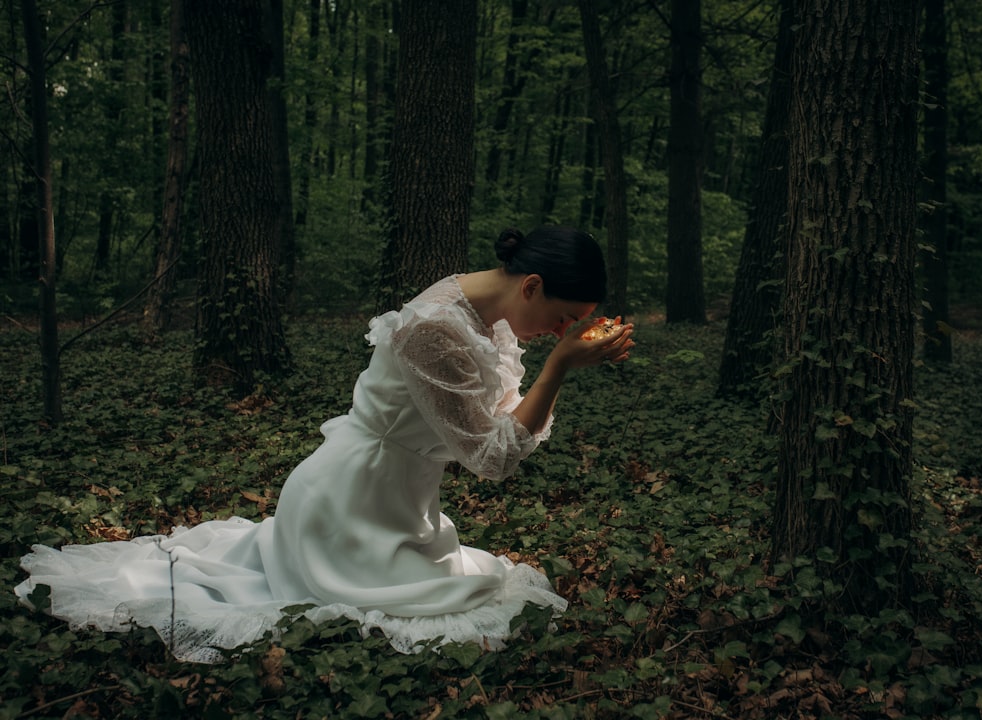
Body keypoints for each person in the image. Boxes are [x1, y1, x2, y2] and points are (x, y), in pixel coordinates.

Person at [15, 226, 635, 663]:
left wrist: (557, 359)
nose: (563, 330)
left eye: (572, 325)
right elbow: (492, 458)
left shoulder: (481, 311)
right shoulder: (436, 330)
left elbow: (493, 416)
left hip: (399, 502)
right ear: (530, 284)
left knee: (466, 586)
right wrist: (556, 368)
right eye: (562, 317)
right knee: (444, 606)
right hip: (348, 502)